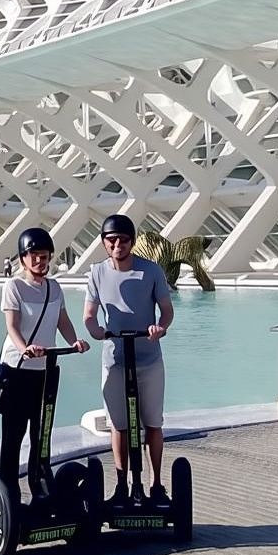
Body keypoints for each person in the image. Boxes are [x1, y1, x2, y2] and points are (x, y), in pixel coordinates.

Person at [83, 213, 174, 507]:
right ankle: (122, 485)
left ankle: (156, 484)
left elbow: (166, 309)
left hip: (148, 357)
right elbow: (89, 315)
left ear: (132, 242)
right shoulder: (96, 272)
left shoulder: (151, 271)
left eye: (123, 240)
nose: (118, 244)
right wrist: (96, 331)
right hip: (115, 358)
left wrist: (160, 327)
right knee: (118, 426)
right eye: (112, 240)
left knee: (153, 424)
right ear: (104, 243)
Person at [0, 226, 89, 487]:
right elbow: (12, 326)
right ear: (23, 258)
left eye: (45, 255)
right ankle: (9, 488)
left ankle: (40, 484)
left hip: (45, 371)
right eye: (34, 255)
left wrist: (75, 341)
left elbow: (63, 320)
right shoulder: (13, 286)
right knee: (14, 434)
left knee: (42, 432)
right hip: (17, 369)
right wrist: (25, 347)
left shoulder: (54, 288)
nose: (40, 260)